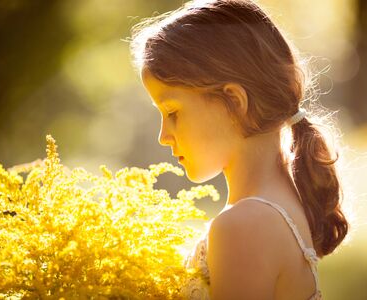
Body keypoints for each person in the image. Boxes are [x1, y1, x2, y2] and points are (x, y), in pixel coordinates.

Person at [129, 0, 348, 299]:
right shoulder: (278, 205)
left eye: (173, 113)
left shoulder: (244, 226)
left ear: (234, 102)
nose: (163, 136)